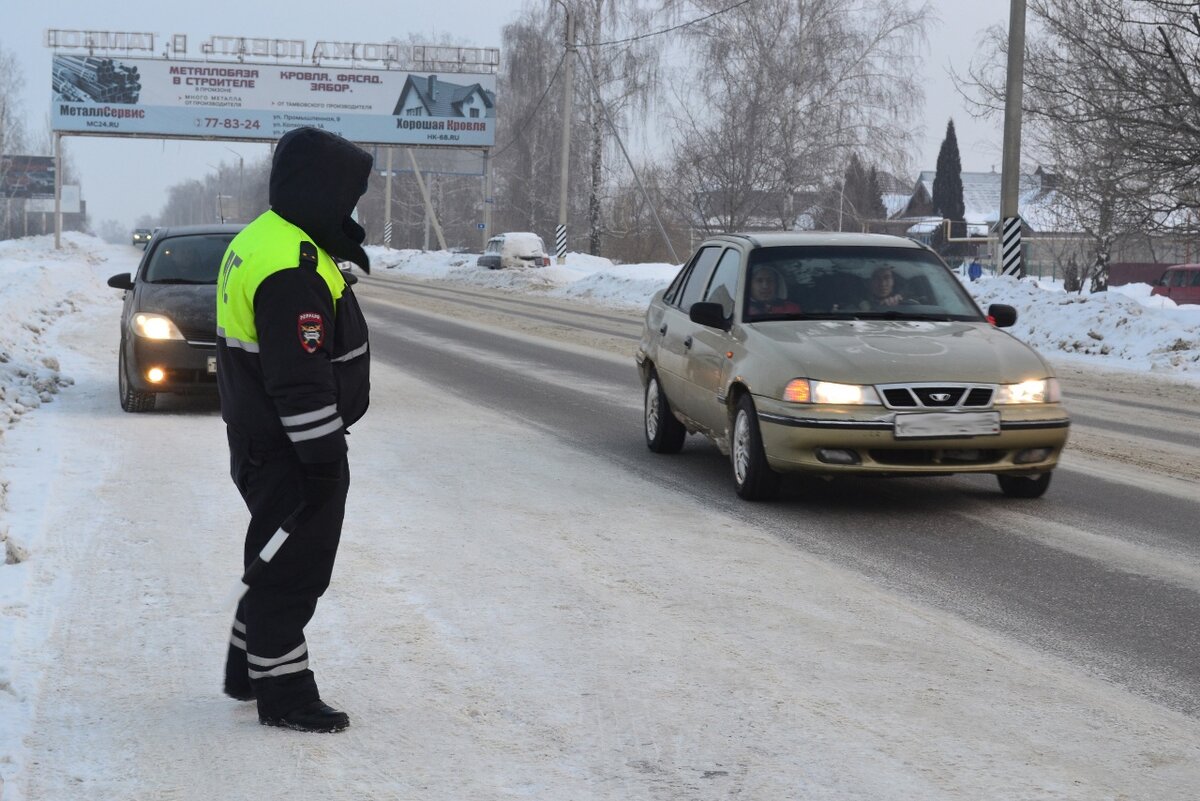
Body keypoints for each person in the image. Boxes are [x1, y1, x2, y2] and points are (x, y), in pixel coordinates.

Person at [216, 126, 373, 734]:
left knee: (273, 551)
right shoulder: (291, 267)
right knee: (295, 568)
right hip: (291, 447)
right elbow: (299, 380)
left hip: (262, 438)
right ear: (318, 190)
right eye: (346, 196)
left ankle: (248, 668)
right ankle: (285, 694)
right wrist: (322, 458)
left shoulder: (263, 238)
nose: (350, 210)